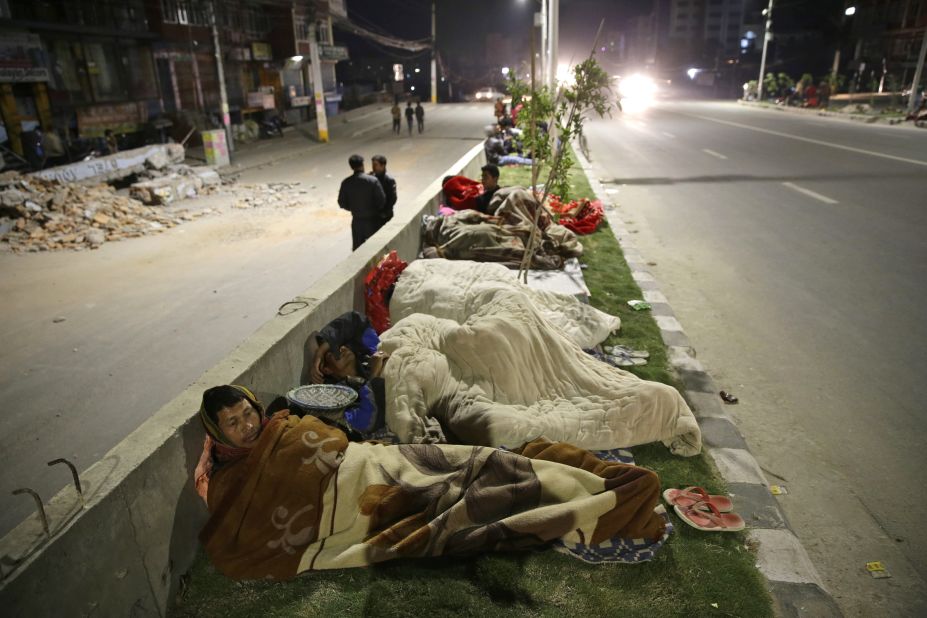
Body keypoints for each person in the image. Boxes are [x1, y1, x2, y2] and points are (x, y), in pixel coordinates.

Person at [195, 383, 667, 580]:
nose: (247, 426)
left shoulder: (280, 424)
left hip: (379, 460)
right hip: (356, 503)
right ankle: (581, 497)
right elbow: (248, 534)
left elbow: (338, 443)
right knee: (464, 498)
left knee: (482, 460)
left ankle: (569, 478)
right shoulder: (231, 479)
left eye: (246, 413)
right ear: (218, 433)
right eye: (234, 424)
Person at [338, 154, 387, 250]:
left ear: (351, 166)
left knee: (358, 251)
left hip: (357, 221)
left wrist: (353, 207)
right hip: (373, 221)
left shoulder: (346, 183)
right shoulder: (373, 181)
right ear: (362, 165)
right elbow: (382, 201)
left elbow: (341, 203)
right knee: (375, 249)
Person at [370, 154, 397, 224]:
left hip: (385, 216)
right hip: (373, 215)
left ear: (383, 166)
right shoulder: (370, 178)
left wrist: (385, 213)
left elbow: (392, 198)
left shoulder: (389, 180)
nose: (373, 167)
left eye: (376, 165)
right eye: (372, 164)